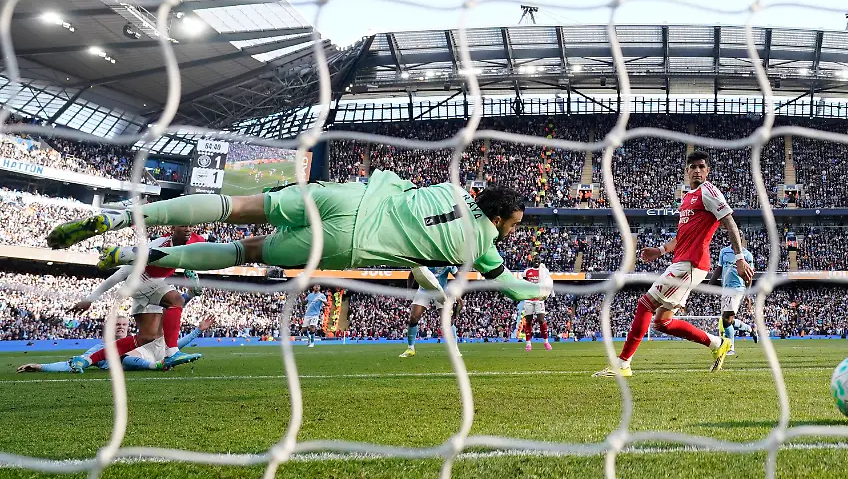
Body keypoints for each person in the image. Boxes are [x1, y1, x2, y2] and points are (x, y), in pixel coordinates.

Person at [47, 171, 551, 302]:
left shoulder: (454, 187)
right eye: (514, 224)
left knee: (238, 206)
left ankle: (117, 217)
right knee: (245, 251)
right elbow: (513, 287)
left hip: (351, 196)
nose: (512, 230)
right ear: (502, 217)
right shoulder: (483, 247)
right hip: (346, 243)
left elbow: (417, 225)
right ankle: (138, 255)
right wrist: (545, 285)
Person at [594, 151, 753, 378]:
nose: (697, 170)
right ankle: (717, 343)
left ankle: (622, 364)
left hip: (691, 263)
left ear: (707, 171)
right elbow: (681, 237)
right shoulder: (688, 197)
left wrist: (739, 258)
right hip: (681, 262)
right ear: (687, 171)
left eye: (701, 167)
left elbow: (729, 222)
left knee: (644, 305)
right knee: (662, 323)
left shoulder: (708, 191)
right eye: (693, 167)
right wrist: (660, 250)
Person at [64, 225, 205, 373]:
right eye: (183, 226)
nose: (188, 229)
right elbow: (122, 272)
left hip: (153, 285)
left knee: (147, 337)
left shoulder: (196, 241)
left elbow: (211, 254)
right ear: (172, 229)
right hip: (139, 282)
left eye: (190, 226)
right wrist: (91, 298)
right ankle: (172, 353)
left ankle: (86, 360)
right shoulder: (157, 246)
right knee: (176, 300)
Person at [17, 315, 214, 373]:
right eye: (117, 324)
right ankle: (157, 366)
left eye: (123, 324)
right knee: (124, 358)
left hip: (143, 358)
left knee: (160, 348)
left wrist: (198, 330)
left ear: (129, 326)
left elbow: (174, 344)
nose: (120, 327)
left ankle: (159, 364)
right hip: (131, 363)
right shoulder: (99, 348)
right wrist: (41, 367)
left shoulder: (139, 341)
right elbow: (75, 362)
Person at [709, 233, 757, 356]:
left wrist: (747, 294)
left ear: (741, 239)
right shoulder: (724, 252)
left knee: (726, 319)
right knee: (727, 320)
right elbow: (719, 269)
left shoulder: (747, 255)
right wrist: (710, 284)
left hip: (738, 289)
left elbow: (749, 276)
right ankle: (750, 329)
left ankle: (730, 348)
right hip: (725, 290)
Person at [400, 265, 461, 358]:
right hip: (423, 291)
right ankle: (410, 348)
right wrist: (409, 291)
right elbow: (412, 273)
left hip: (441, 291)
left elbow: (458, 277)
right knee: (413, 317)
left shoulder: (447, 261)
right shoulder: (425, 258)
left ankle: (455, 349)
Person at [522, 267, 551, 351]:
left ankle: (546, 342)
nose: (536, 261)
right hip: (528, 299)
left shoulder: (544, 271)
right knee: (528, 321)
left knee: (541, 320)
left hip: (539, 299)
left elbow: (547, 283)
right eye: (535, 259)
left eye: (538, 259)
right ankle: (528, 344)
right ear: (533, 261)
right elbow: (523, 283)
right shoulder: (527, 271)